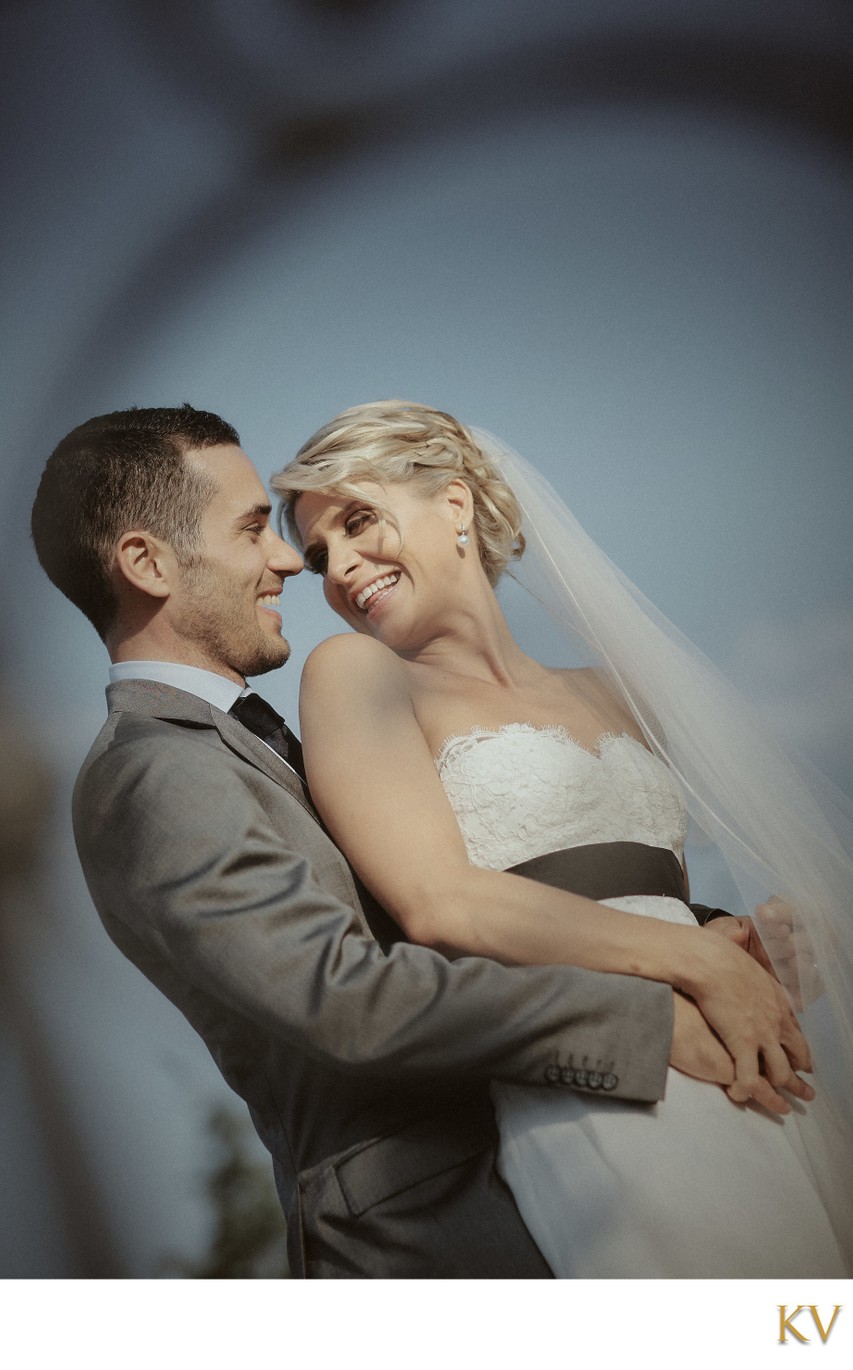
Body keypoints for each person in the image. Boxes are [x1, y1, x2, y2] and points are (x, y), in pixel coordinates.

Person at [30, 403, 756, 1280]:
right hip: (421, 1239)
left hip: (534, 1174)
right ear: (147, 562)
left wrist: (704, 936)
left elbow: (481, 878)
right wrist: (642, 1020)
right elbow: (343, 997)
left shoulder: (260, 744)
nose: (292, 562)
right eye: (257, 528)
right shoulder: (149, 775)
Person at [273, 399, 852, 1277]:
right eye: (320, 555)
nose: (339, 568)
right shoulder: (354, 675)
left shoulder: (614, 695)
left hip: (746, 1065)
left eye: (357, 521)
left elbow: (638, 892)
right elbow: (440, 903)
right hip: (599, 1095)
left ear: (456, 506)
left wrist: (744, 944)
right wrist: (698, 962)